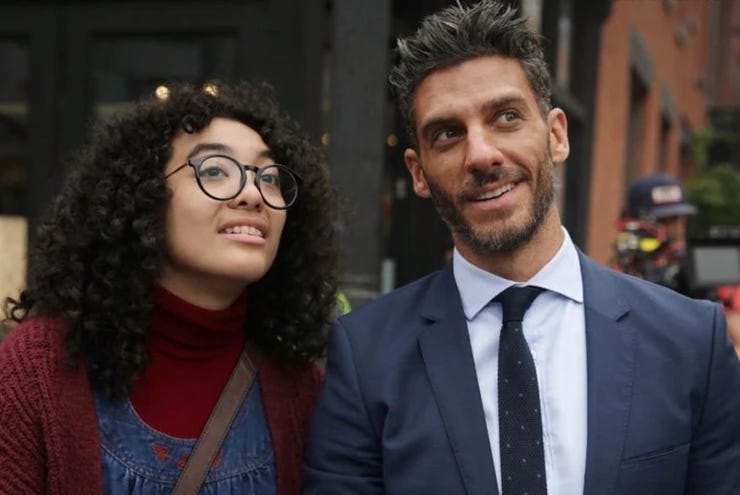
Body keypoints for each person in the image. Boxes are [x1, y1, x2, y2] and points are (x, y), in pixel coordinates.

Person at [304, 2, 740, 494]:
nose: (481, 155)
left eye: (506, 117)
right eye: (448, 134)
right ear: (418, 173)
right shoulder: (365, 357)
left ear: (556, 135)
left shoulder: (690, 342)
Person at [0, 81, 339, 494]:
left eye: (269, 178)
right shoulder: (37, 368)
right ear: (142, 196)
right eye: (215, 170)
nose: (253, 194)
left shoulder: (300, 388)